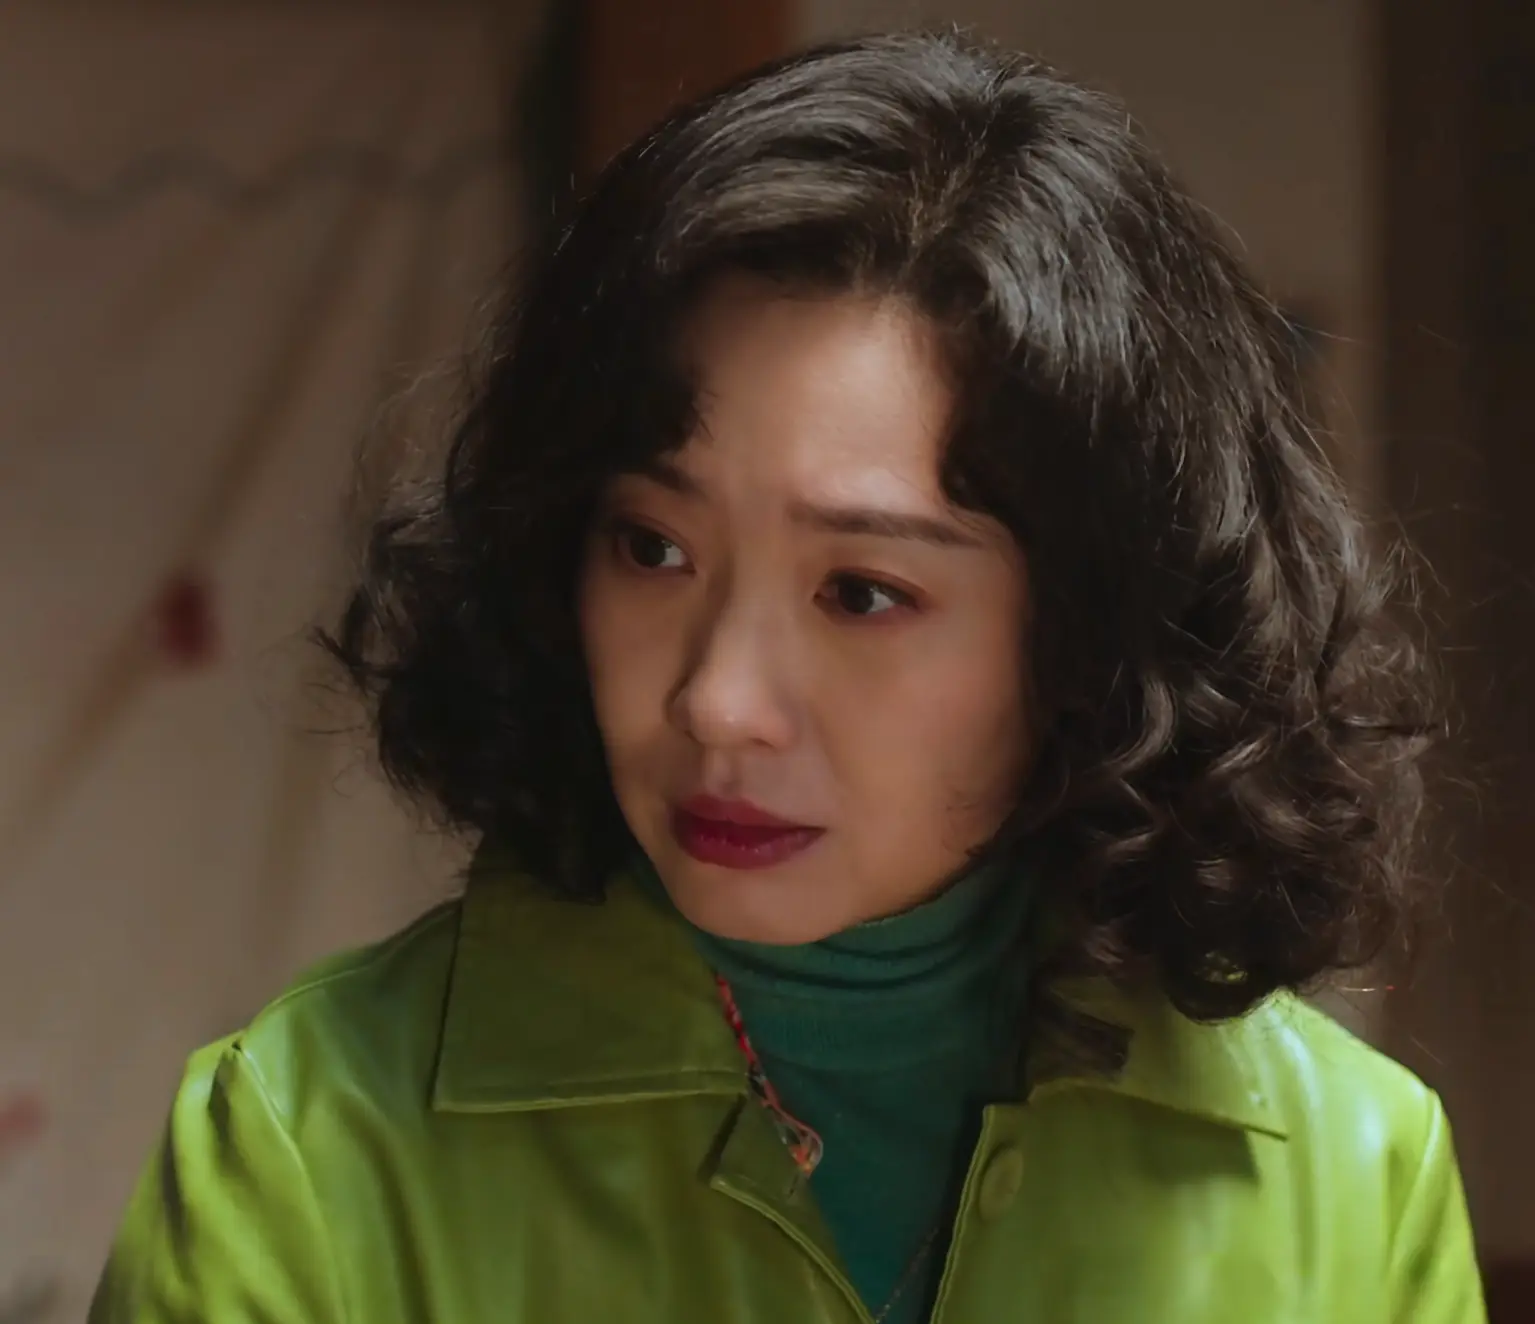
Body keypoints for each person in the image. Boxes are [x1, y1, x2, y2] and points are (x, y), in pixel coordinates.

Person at [89, 30, 1486, 1324]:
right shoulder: (307, 1147)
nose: (717, 701)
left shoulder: (1346, 1180)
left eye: (861, 592)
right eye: (651, 548)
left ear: (1098, 635)